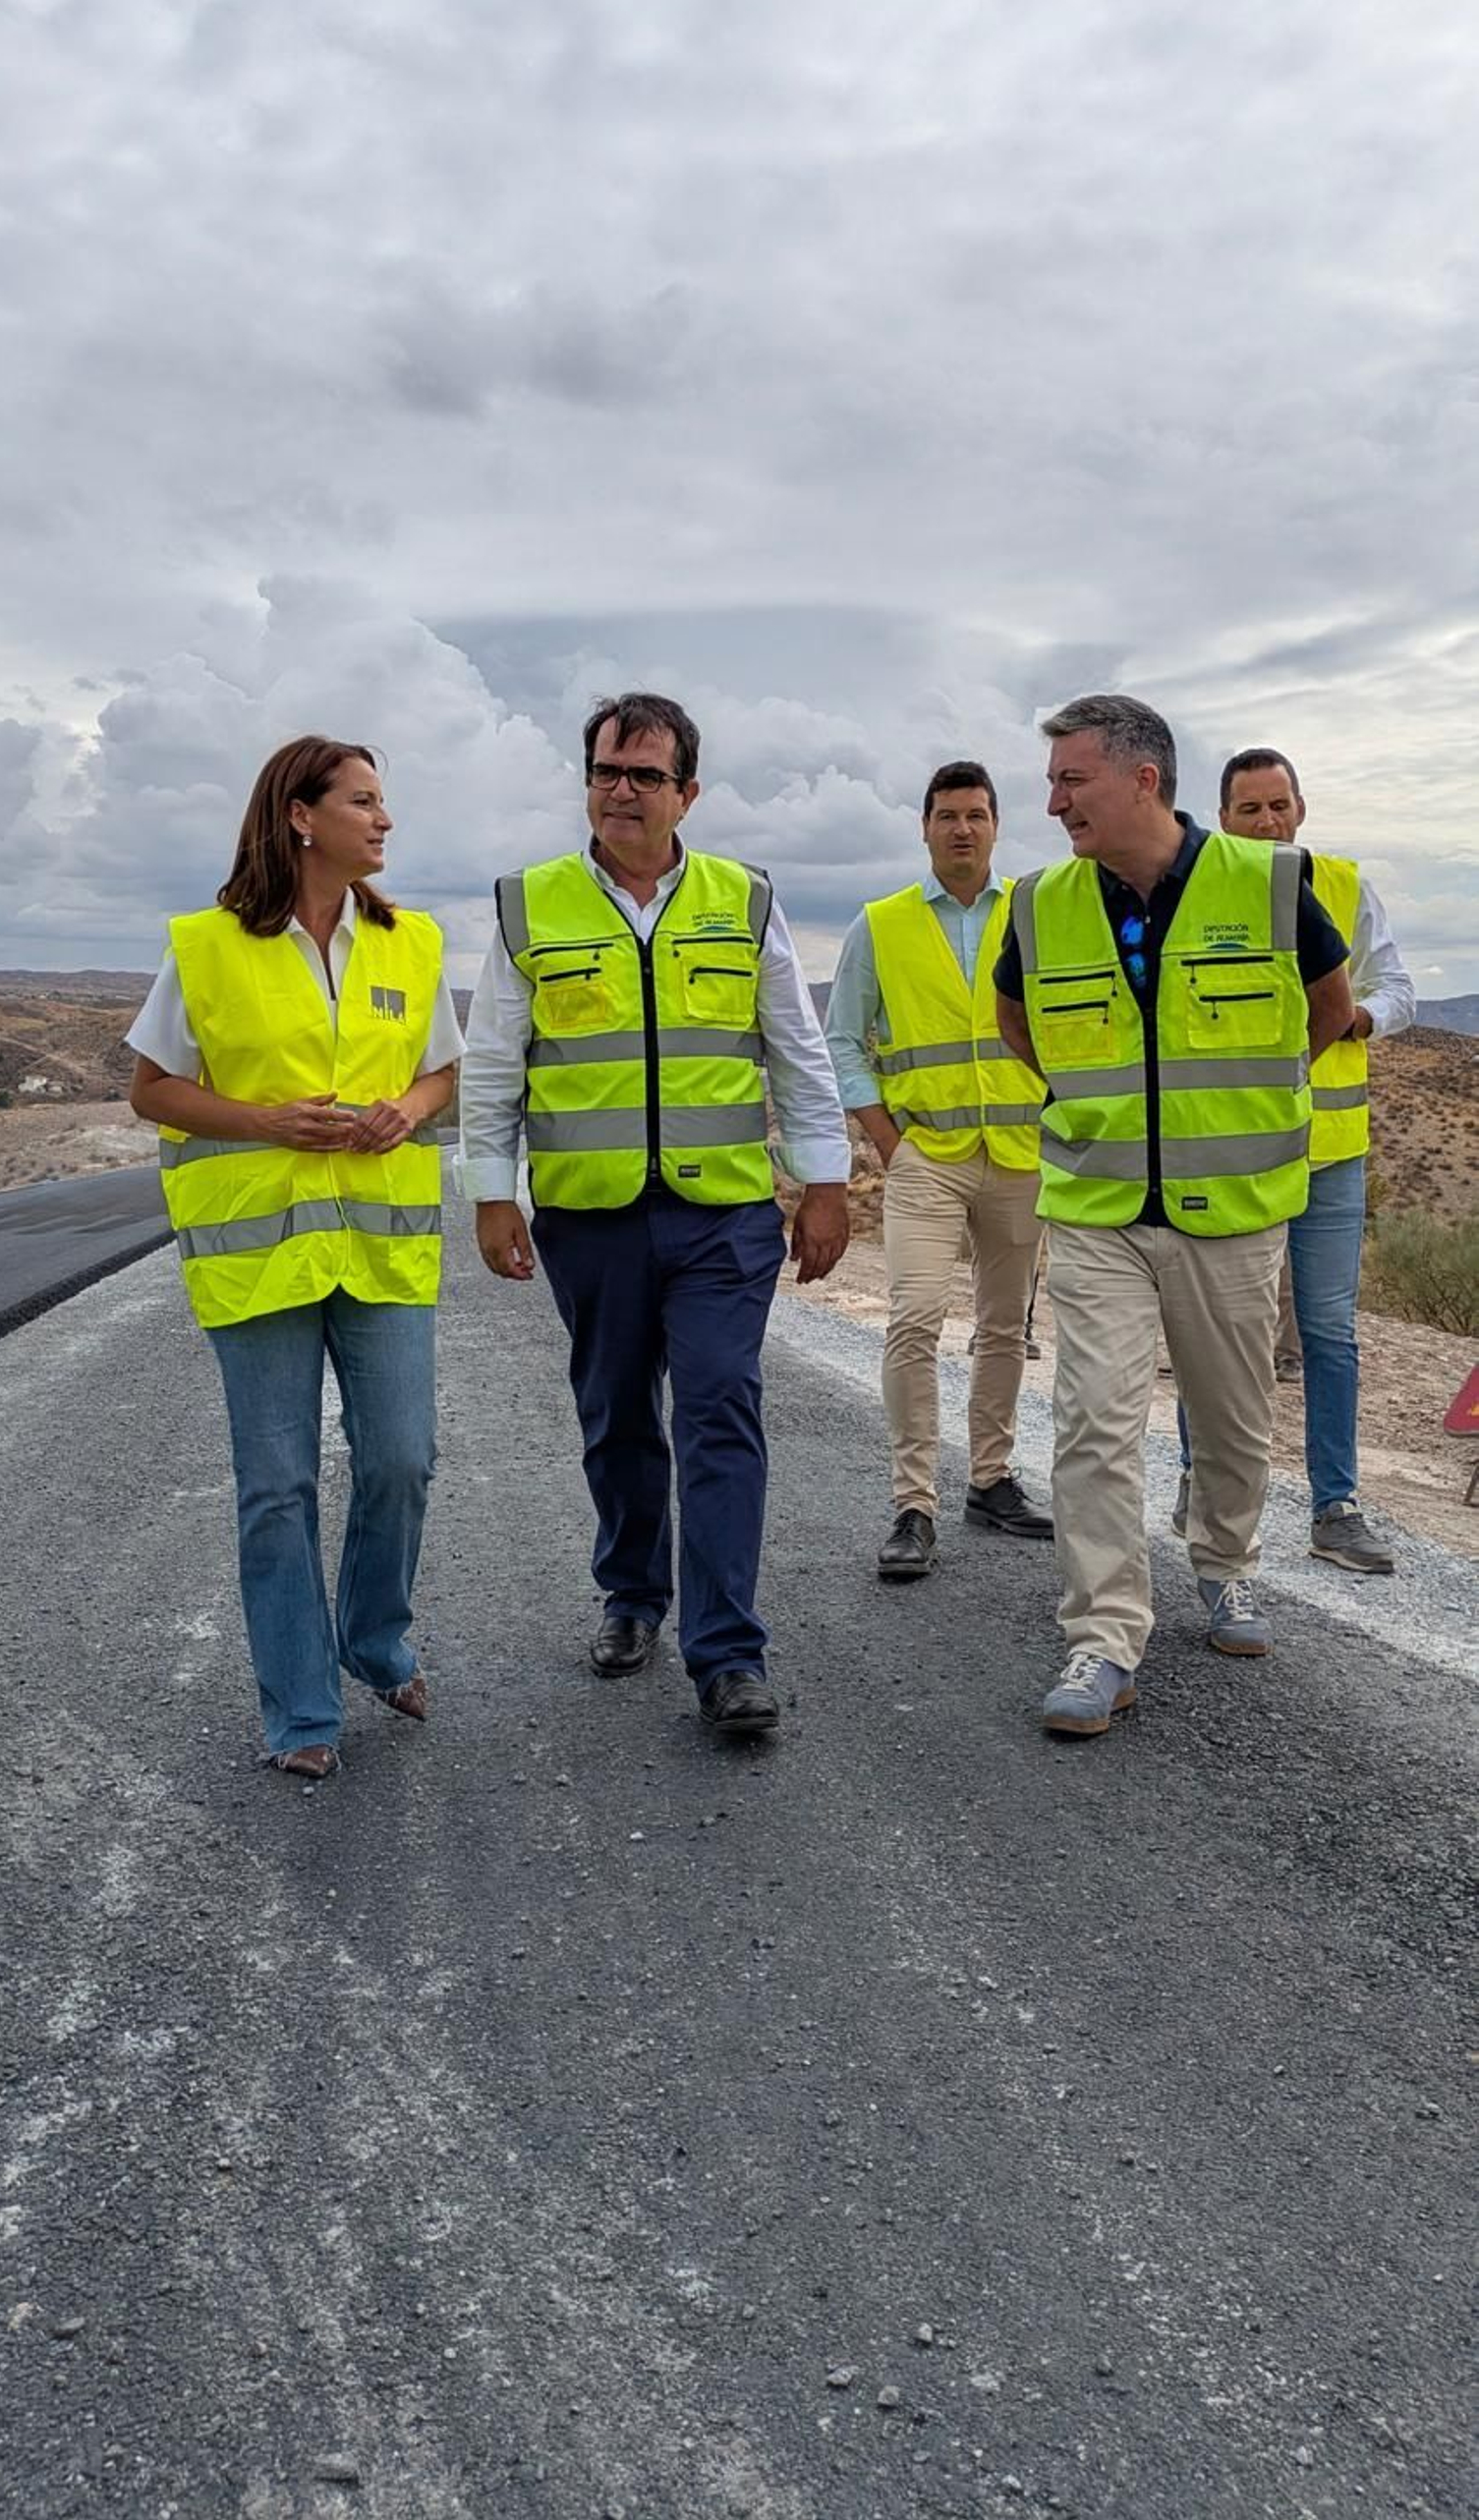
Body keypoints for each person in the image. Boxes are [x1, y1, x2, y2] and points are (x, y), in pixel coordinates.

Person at [460, 692, 851, 1736]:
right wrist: (492, 1195)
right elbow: (495, 1063)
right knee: (618, 1415)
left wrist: (824, 1183)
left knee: (721, 1406)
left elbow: (797, 1055)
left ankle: (726, 1653)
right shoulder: (527, 905)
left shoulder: (744, 901)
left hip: (721, 1215)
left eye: (643, 775)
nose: (620, 791)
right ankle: (632, 1594)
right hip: (589, 1219)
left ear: (687, 792)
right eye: (604, 772)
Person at [991, 694, 1354, 1738]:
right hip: (1098, 1206)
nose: (1052, 800)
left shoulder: (1275, 883)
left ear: (1142, 779)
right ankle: (1103, 1639)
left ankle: (1227, 1563)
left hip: (1233, 1212)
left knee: (1230, 1417)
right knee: (1093, 1423)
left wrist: (1248, 1101)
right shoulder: (1039, 905)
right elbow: (1021, 1025)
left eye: (1071, 779)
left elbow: (1326, 1011)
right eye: (1054, 780)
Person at [128, 736, 462, 1781]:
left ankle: (374, 1642)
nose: (385, 820)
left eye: (384, 801)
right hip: (259, 1257)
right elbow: (153, 1089)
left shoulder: (413, 943)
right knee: (275, 1486)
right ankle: (301, 1708)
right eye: (364, 801)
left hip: (379, 1249)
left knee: (401, 1459)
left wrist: (404, 1111)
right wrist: (266, 1120)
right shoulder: (206, 946)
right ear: (300, 817)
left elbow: (442, 1074)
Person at [825, 757, 1052, 1581]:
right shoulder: (880, 924)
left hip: (1025, 1156)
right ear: (924, 827)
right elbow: (843, 1039)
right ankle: (912, 1503)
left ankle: (990, 1478)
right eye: (948, 815)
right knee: (915, 1316)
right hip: (927, 1158)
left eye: (977, 815)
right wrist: (888, 1141)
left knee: (1004, 1327)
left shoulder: (1037, 912)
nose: (962, 828)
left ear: (997, 826)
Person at [1191, 747, 1414, 1572]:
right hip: (1230, 1151)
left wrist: (1356, 1017)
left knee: (1327, 1331)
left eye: (1279, 805)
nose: (1268, 822)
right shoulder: (1200, 897)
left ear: (1301, 808)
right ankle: (1198, 1482)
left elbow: (1396, 987)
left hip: (1329, 1154)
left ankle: (1336, 1506)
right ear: (1224, 819)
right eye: (1250, 809)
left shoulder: (1347, 887)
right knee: (1218, 1331)